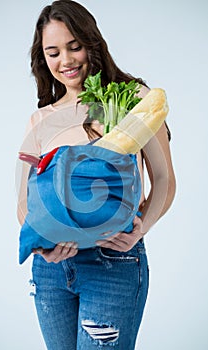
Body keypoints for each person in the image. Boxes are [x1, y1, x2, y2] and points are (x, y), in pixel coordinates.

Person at [17, 1, 176, 349]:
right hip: (50, 273)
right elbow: (25, 202)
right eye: (53, 52)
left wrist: (140, 230)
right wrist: (44, 248)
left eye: (75, 46)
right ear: (42, 58)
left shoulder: (135, 99)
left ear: (93, 43)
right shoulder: (41, 120)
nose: (66, 61)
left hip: (114, 262)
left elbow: (164, 179)